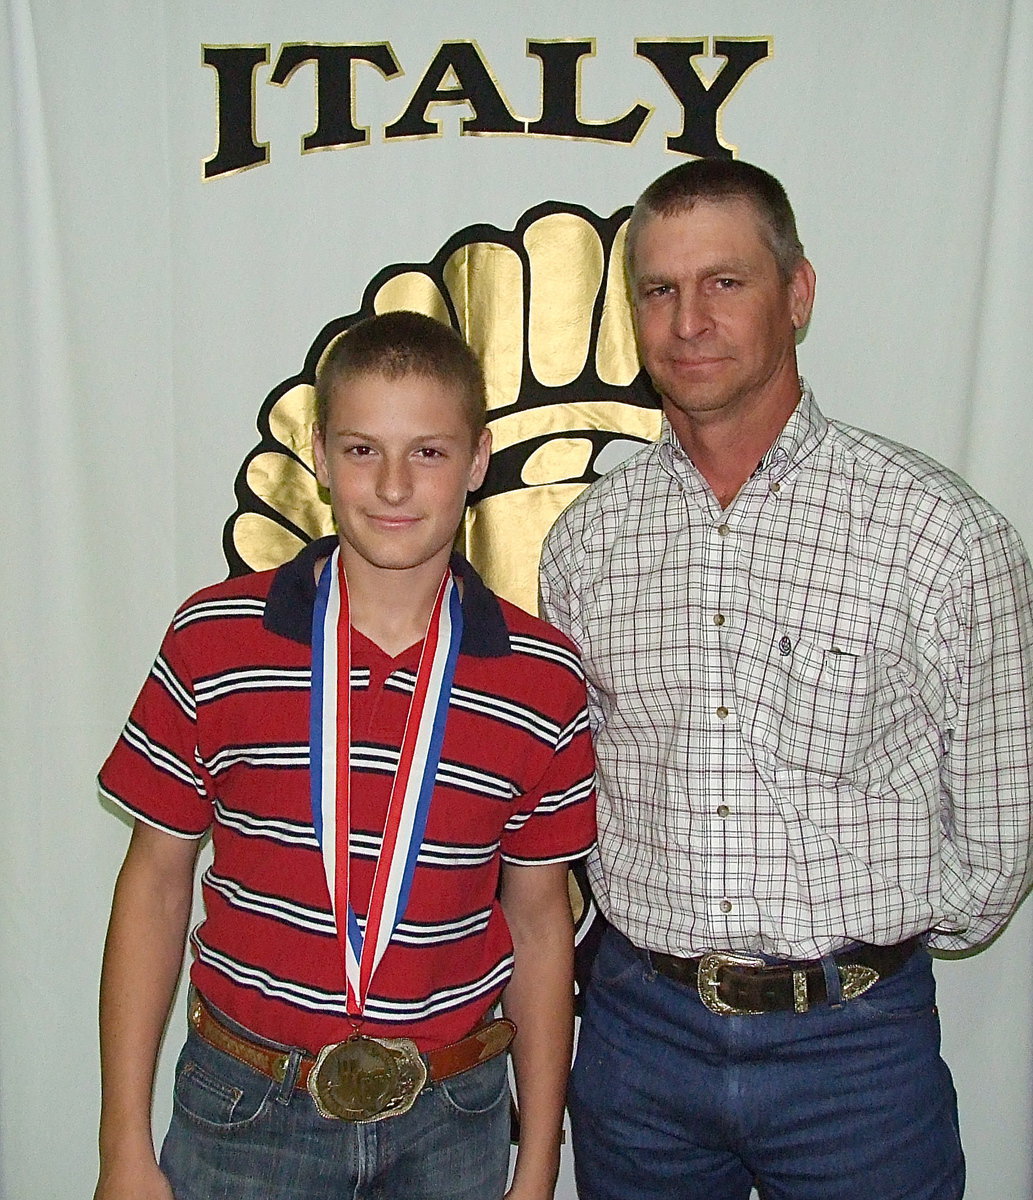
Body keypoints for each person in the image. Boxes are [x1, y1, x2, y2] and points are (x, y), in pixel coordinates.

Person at [539, 158, 1033, 1200]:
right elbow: (577, 788)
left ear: (796, 294)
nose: (688, 322)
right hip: (638, 1042)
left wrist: (860, 952)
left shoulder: (937, 533)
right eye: (658, 290)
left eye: (725, 283)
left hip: (854, 1053)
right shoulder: (587, 544)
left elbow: (997, 833)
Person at [94, 310, 596, 1200]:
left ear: (478, 460)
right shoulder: (213, 640)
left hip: (456, 1117)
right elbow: (155, 883)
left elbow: (539, 922)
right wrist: (121, 1147)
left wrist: (538, 1160)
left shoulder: (540, 677)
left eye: (429, 453)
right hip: (246, 1106)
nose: (394, 486)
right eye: (363, 450)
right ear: (319, 455)